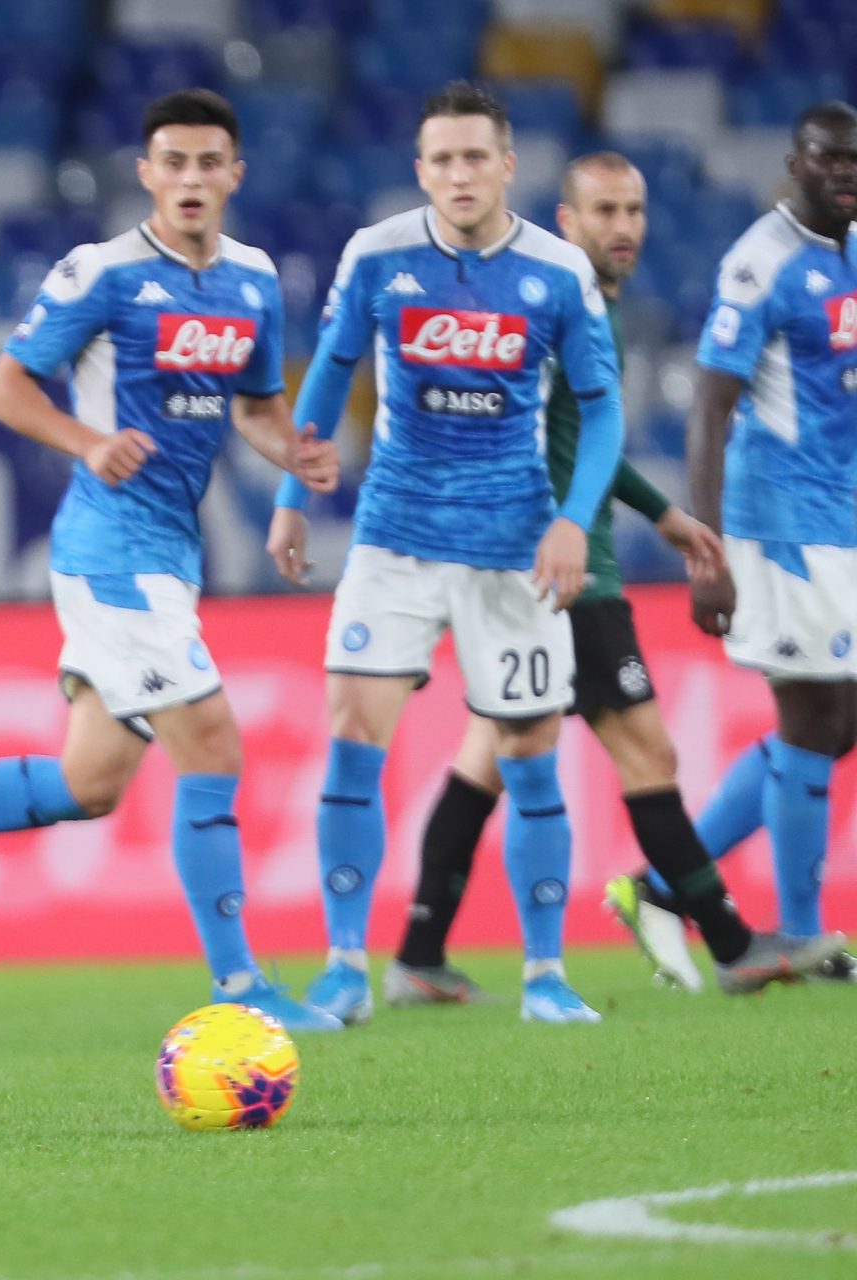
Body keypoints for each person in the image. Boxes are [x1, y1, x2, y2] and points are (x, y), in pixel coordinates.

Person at [0, 88, 346, 1032]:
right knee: (213, 742)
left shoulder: (254, 280)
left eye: (207, 162)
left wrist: (291, 455)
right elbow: (3, 387)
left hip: (171, 553)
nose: (190, 178)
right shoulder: (102, 273)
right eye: (173, 162)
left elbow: (257, 406)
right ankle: (241, 987)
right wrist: (87, 442)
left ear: (235, 174)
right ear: (146, 174)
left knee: (88, 785)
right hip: (109, 548)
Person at [381, 152, 846, 1003]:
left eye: (633, 210)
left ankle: (418, 954)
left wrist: (660, 513)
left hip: (527, 563)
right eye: (604, 211)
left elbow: (579, 436)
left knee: (487, 756)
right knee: (647, 753)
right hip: (566, 569)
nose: (623, 227)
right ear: (567, 220)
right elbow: (520, 429)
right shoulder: (565, 303)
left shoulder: (584, 303)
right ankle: (735, 944)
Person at [266, 82, 625, 1026]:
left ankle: (545, 977)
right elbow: (330, 370)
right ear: (420, 170)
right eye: (443, 160)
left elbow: (604, 408)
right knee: (353, 742)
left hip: (514, 549)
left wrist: (575, 518)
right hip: (396, 540)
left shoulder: (557, 271)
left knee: (531, 759)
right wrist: (292, 497)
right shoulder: (378, 254)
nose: (460, 175)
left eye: (476, 157)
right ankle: (344, 968)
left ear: (508, 166)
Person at [666, 100, 857, 983]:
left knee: (840, 723)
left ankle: (664, 882)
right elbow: (709, 407)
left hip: (840, 515)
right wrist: (706, 549)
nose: (844, 171)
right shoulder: (760, 261)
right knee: (814, 718)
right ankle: (801, 933)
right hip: (778, 519)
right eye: (827, 157)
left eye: (854, 159)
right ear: (795, 162)